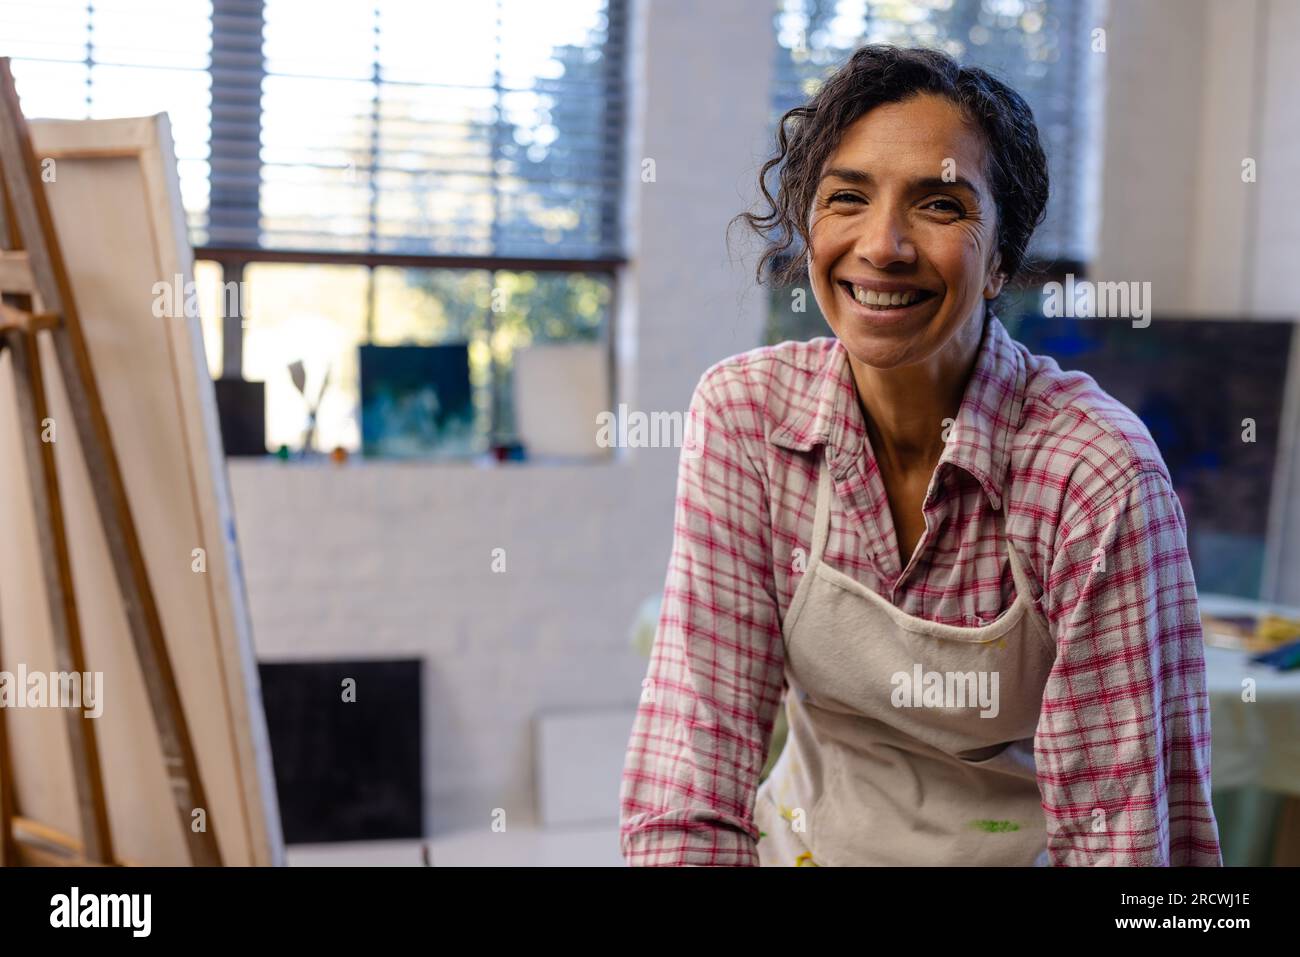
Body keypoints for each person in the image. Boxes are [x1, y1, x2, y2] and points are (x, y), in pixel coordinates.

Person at [618, 44, 1221, 867]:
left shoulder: (1092, 473)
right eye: (847, 198)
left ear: (1002, 254)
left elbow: (1123, 835)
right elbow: (692, 768)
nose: (883, 245)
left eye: (939, 204)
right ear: (809, 227)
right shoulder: (747, 419)